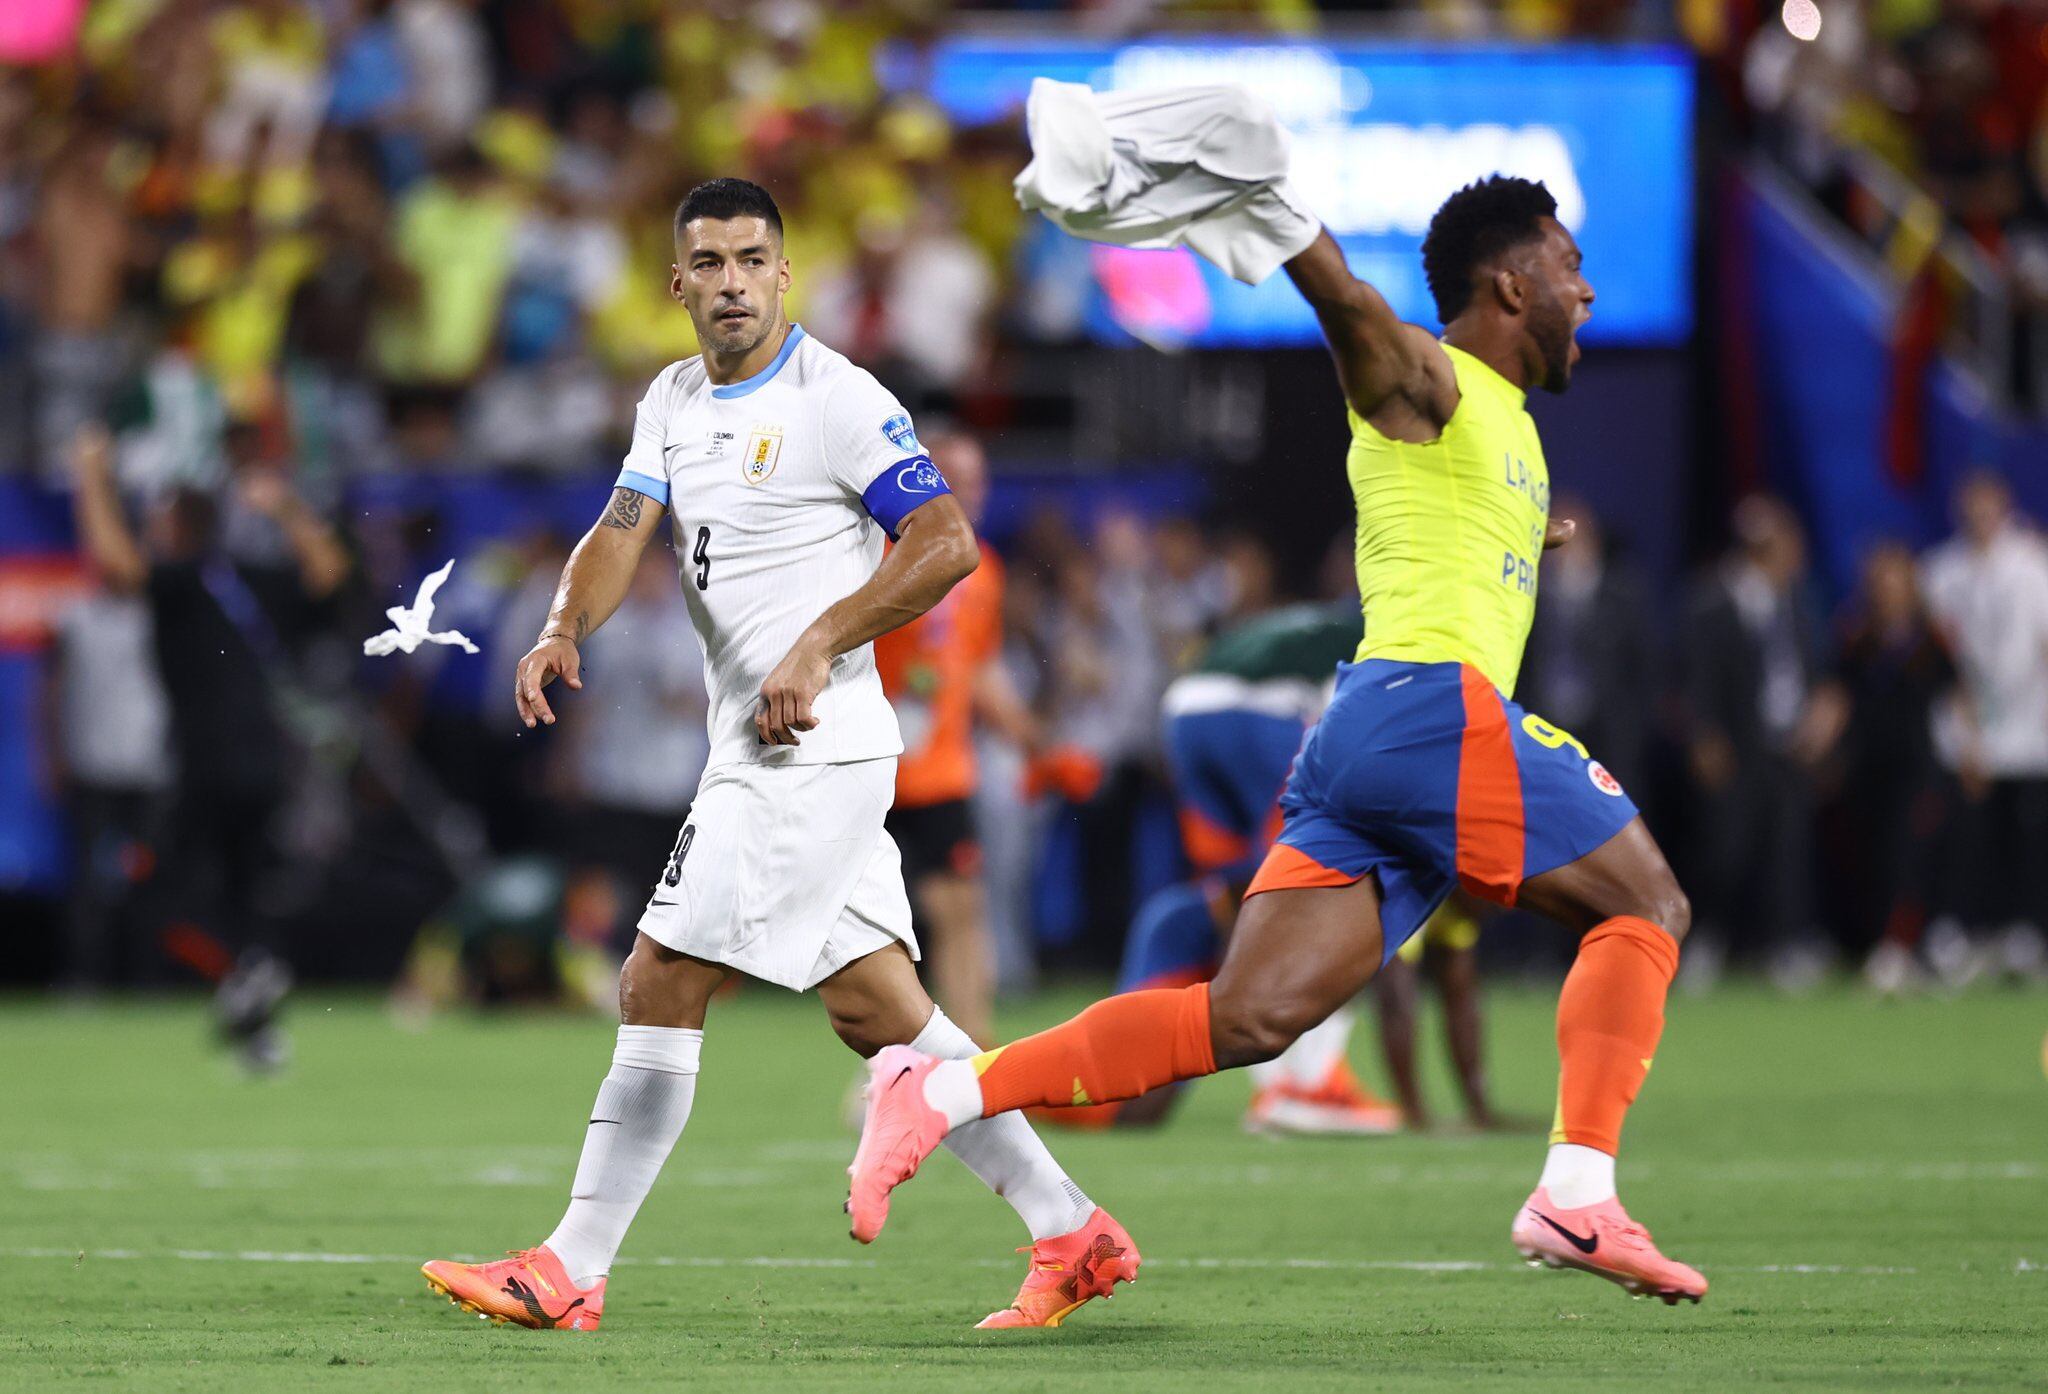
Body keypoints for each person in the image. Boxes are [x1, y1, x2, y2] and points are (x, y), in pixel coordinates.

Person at [851, 173, 1709, 1306]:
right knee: (1646, 905)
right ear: (1510, 281)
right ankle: (1576, 1188)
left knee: (1244, 1014)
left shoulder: (1500, 428)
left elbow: (1444, 520)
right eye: (1568, 265)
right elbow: (1350, 310)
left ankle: (943, 1091)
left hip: (1365, 738)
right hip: (1423, 711)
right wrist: (1279, 214)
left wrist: (1523, 531)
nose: (1588, 292)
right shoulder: (1424, 370)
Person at [420, 179, 1133, 1334]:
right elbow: (617, 530)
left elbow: (945, 541)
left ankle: (568, 1265)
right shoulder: (667, 398)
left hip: (807, 748)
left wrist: (819, 639)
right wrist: (559, 628)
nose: (733, 281)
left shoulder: (837, 397)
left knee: (658, 975)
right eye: (709, 261)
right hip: (762, 744)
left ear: (784, 274)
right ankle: (1072, 1228)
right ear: (679, 282)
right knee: (880, 1011)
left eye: (754, 258)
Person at [1051, 600, 1402, 1136]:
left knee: (1236, 884)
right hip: (1260, 720)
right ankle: (1300, 1082)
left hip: (1184, 715)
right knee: (1325, 887)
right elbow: (1352, 727)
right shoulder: (1388, 641)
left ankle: (1225, 1041)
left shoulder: (1298, 623)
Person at [68, 422, 353, 1069]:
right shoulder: (250, 579)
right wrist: (287, 507)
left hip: (207, 765)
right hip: (266, 762)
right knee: (242, 894)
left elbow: (116, 565)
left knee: (157, 891)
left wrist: (91, 476)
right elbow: (330, 573)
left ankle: (247, 973)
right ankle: (258, 1025)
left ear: (176, 529)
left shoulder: (180, 584)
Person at [871, 428, 1034, 1046]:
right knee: (881, 926)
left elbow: (980, 665)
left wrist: (1031, 738)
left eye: (978, 481)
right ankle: (890, 1064)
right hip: (872, 764)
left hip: (941, 770)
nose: (971, 493)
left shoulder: (981, 568)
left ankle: (975, 1057)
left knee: (959, 911)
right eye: (957, 480)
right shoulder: (880, 554)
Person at [1919, 472, 2048, 981]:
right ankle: (1963, 931)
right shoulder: (1941, 571)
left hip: (2031, 726)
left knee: (2029, 835)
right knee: (1967, 835)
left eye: (1988, 507)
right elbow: (1940, 659)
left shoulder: (2033, 564)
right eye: (1971, 508)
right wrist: (1967, 729)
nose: (1980, 518)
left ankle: (2025, 932)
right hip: (1965, 728)